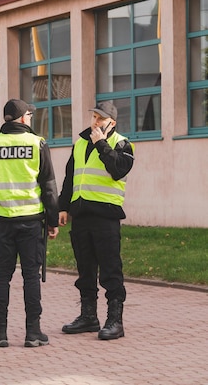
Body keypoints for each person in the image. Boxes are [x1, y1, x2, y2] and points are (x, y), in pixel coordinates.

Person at [0, 99, 59, 348]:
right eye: (30, 116)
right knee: (31, 276)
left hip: (2, 222)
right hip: (32, 222)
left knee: (1, 276)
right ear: (23, 118)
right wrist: (53, 220)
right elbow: (48, 186)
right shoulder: (37, 143)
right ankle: (33, 332)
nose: (31, 119)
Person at [58, 101, 134, 340]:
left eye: (101, 119)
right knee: (85, 269)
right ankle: (88, 316)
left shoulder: (121, 143)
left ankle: (115, 321)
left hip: (105, 216)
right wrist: (63, 207)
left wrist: (101, 143)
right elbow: (70, 177)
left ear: (112, 122)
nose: (95, 122)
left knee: (111, 270)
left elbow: (118, 169)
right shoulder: (80, 144)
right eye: (94, 117)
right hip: (80, 215)